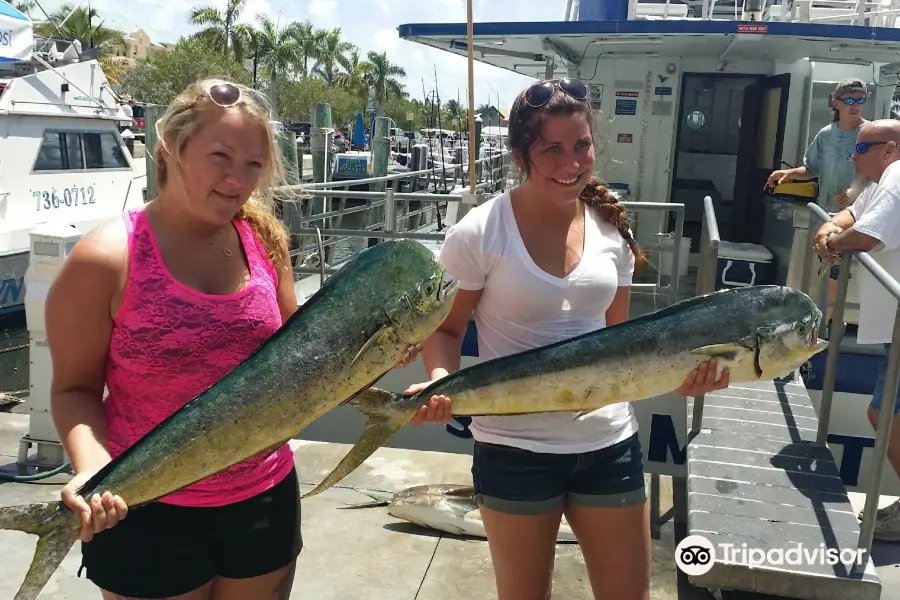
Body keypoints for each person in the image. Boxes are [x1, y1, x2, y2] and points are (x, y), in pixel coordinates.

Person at [46, 78, 420, 600]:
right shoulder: (105, 259)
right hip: (146, 507)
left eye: (252, 164)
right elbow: (73, 391)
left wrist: (379, 354)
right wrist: (93, 467)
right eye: (220, 155)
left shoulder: (266, 240)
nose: (237, 179)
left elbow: (307, 363)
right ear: (169, 148)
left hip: (263, 496)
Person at [406, 77, 729, 600]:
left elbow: (622, 343)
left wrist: (681, 378)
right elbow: (445, 329)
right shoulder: (477, 232)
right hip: (513, 449)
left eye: (581, 145)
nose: (571, 163)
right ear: (518, 154)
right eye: (551, 149)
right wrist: (441, 379)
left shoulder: (612, 233)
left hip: (608, 443)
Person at [814, 119, 900, 542]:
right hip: (894, 327)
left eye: (863, 149)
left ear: (890, 149)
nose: (854, 156)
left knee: (885, 414)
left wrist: (832, 243)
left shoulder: (899, 177)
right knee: (886, 414)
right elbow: (855, 211)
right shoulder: (886, 179)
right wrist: (833, 225)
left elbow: (865, 235)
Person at [767, 78, 869, 322]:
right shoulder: (826, 135)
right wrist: (788, 174)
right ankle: (823, 324)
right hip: (826, 216)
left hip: (859, 219)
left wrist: (855, 191)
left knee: (840, 274)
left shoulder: (869, 134)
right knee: (825, 273)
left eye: (860, 100)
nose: (855, 106)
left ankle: (831, 325)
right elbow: (812, 168)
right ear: (836, 103)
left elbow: (879, 174)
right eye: (849, 100)